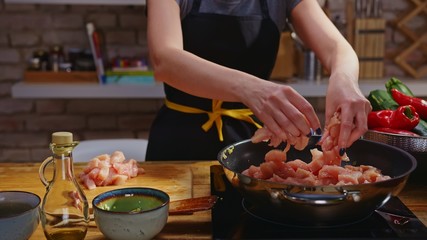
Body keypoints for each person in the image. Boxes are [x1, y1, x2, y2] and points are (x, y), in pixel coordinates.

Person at [145, 0, 371, 161]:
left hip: (251, 142)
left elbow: (337, 48)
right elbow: (164, 60)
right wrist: (249, 88)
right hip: (179, 140)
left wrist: (344, 79)